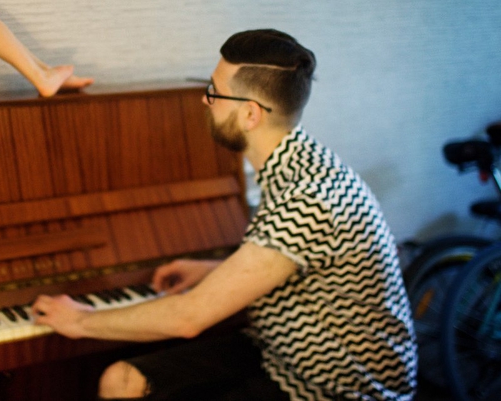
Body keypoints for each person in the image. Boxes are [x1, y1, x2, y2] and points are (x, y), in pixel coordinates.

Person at [32, 29, 417, 400]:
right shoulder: (299, 160)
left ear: (250, 114)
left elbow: (188, 318)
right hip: (280, 353)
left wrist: (79, 320)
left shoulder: (309, 198)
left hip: (329, 390)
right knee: (121, 380)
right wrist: (214, 271)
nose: (205, 100)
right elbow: (293, 261)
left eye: (214, 91)